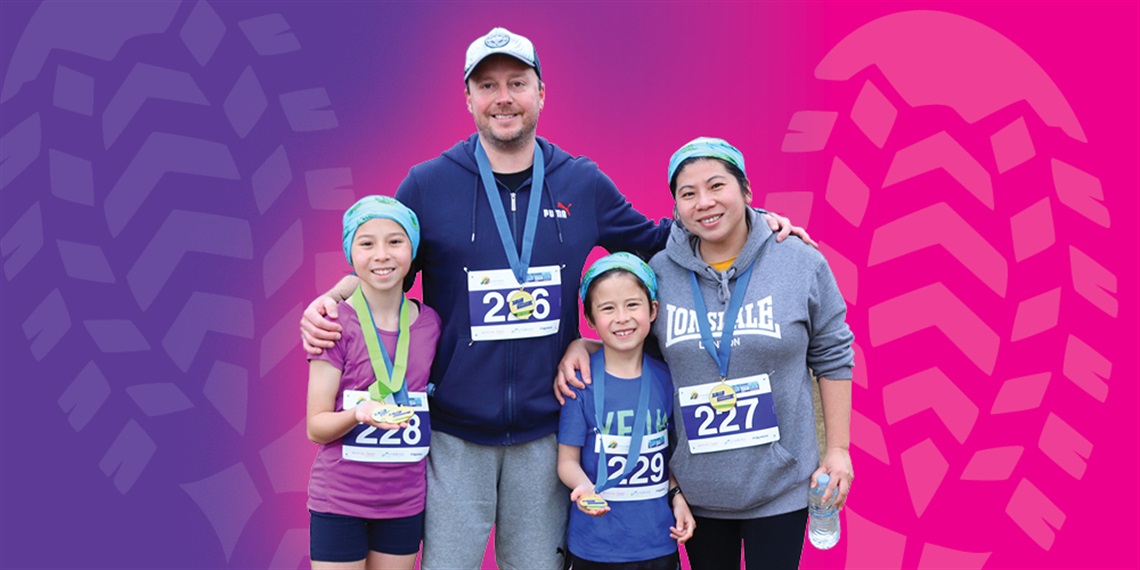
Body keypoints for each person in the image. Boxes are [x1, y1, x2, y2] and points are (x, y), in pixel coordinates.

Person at [300, 28, 808, 570]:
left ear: (541, 93)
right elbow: (383, 262)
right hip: (454, 434)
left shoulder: (580, 181)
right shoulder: (429, 184)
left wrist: (753, 225)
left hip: (547, 436)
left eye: (517, 82)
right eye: (488, 85)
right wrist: (329, 298)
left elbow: (660, 239)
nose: (503, 98)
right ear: (467, 99)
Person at [557, 137, 854, 569]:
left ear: (747, 191)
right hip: (699, 492)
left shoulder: (798, 261)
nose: (704, 202)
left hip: (781, 482)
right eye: (688, 193)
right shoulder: (660, 271)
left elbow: (832, 352)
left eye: (717, 186)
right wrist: (585, 343)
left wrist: (839, 449)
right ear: (675, 207)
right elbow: (633, 335)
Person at [306, 196, 442, 570]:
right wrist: (358, 414)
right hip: (340, 502)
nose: (382, 254)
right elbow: (316, 427)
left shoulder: (431, 323)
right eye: (367, 243)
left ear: (412, 250)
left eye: (395, 241)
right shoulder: (333, 325)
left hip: (405, 502)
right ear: (351, 252)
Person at [557, 253, 695, 570]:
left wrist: (677, 497)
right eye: (607, 308)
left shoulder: (667, 378)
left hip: (657, 542)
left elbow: (667, 456)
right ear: (590, 321)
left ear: (653, 310)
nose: (622, 317)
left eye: (632, 305)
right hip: (595, 546)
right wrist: (582, 486)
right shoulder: (581, 381)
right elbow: (567, 461)